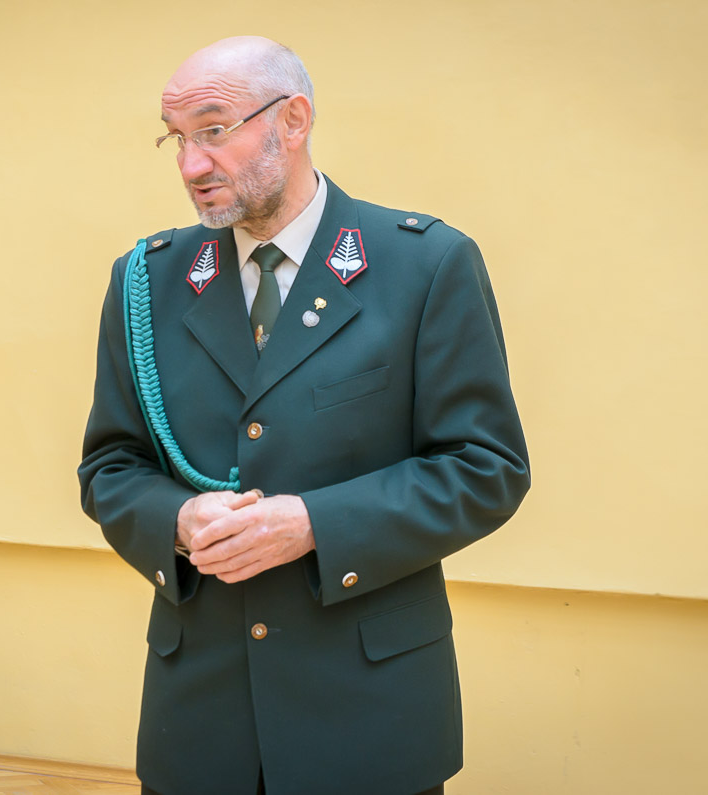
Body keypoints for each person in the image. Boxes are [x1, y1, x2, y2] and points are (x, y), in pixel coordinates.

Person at [79, 36, 529, 795]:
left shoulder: (424, 265)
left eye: (213, 130)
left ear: (293, 120)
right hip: (200, 722)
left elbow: (485, 468)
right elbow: (110, 466)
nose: (190, 165)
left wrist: (313, 524)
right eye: (176, 138)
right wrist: (178, 520)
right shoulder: (146, 279)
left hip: (368, 714)